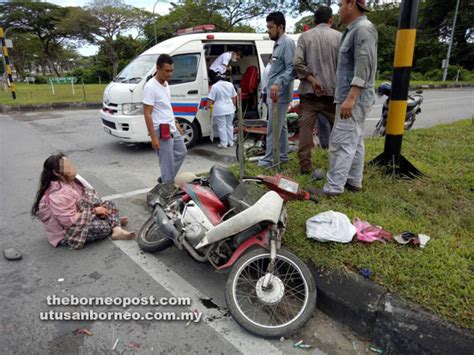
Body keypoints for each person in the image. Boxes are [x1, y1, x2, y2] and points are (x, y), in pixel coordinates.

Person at [321, 0, 378, 196]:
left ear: (352, 4)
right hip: (351, 95)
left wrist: (352, 97)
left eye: (340, 5)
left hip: (353, 97)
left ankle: (333, 189)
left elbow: (365, 65)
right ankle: (354, 181)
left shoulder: (363, 29)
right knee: (355, 139)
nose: (338, 10)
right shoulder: (354, 29)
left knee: (341, 142)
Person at [31, 153, 135, 250]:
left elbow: (90, 199)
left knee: (108, 204)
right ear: (57, 173)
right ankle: (112, 223)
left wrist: (96, 209)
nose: (72, 166)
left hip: (81, 215)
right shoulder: (58, 194)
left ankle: (116, 229)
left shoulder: (73, 180)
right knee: (104, 228)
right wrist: (94, 211)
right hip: (66, 232)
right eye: (67, 166)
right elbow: (68, 221)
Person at [294, 5, 342, 174]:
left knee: (306, 130)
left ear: (313, 20)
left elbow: (298, 62)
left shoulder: (305, 37)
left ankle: (305, 167)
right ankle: (339, 165)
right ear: (331, 20)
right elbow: (345, 67)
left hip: (309, 94)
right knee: (339, 130)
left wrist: (313, 81)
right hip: (333, 93)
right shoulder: (340, 37)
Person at [257, 11, 296, 168]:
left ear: (281, 27)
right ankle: (282, 155)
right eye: (267, 27)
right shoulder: (278, 43)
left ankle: (268, 160)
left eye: (271, 27)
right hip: (274, 94)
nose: (268, 30)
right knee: (281, 126)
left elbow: (292, 68)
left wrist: (278, 83)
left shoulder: (287, 43)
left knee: (273, 127)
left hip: (279, 94)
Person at [143, 54, 187, 183]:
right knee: (167, 163)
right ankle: (166, 187)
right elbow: (147, 113)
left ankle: (165, 178)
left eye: (172, 70)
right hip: (161, 130)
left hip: (171, 127)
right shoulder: (150, 87)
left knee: (181, 152)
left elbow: (167, 107)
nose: (170, 74)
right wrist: (153, 137)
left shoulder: (166, 84)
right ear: (158, 68)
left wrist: (176, 122)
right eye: (167, 71)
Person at [207, 77, 237, 148]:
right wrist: (234, 106)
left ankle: (224, 143)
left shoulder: (215, 86)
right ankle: (231, 142)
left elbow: (211, 99)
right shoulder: (230, 84)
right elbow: (234, 97)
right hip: (230, 108)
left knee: (221, 127)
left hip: (219, 109)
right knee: (229, 125)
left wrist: (206, 107)